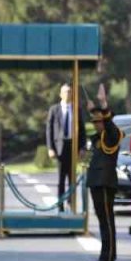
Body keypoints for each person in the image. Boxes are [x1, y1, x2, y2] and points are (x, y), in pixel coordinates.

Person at [86, 92, 121, 261]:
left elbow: (110, 127)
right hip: (96, 181)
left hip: (105, 182)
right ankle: (105, 255)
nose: (96, 125)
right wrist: (93, 109)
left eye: (98, 122)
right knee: (102, 220)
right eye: (94, 122)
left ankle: (109, 256)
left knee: (107, 220)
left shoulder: (112, 135)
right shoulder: (97, 138)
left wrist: (104, 105)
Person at [46, 84, 76, 212]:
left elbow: (81, 130)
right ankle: (60, 205)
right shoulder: (54, 109)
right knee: (61, 179)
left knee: (72, 179)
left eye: (69, 92)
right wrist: (50, 148)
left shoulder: (76, 109)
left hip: (72, 147)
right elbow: (49, 130)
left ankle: (71, 203)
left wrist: (82, 147)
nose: (68, 94)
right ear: (60, 94)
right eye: (65, 92)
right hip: (59, 148)